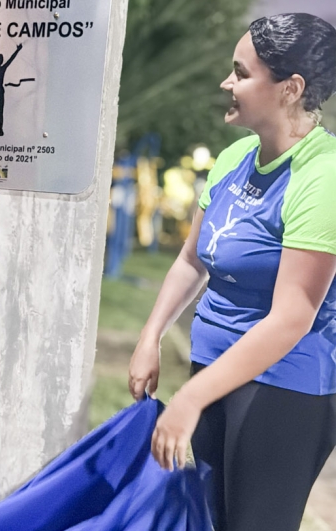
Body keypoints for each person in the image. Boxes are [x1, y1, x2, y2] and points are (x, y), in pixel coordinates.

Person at [128, 13, 336, 531]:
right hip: (213, 365)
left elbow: (293, 317)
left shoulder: (323, 177)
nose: (227, 83)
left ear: (290, 89)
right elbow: (191, 260)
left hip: (284, 388)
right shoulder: (235, 157)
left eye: (241, 73)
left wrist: (191, 399)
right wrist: (151, 336)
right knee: (214, 519)